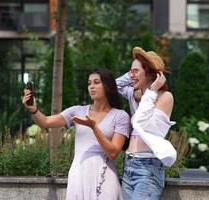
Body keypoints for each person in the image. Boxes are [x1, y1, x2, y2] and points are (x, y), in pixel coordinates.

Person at [22, 67, 130, 199]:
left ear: (108, 86)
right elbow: (45, 122)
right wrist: (34, 110)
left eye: (96, 82)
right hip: (79, 174)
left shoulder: (120, 116)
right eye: (89, 83)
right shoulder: (77, 111)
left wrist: (94, 127)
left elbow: (113, 153)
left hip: (104, 176)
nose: (92, 86)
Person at [116, 47, 177, 199]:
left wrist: (153, 88)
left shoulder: (165, 97)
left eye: (135, 71)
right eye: (130, 71)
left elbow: (141, 122)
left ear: (150, 73)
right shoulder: (133, 94)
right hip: (129, 164)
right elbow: (113, 85)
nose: (131, 75)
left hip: (148, 168)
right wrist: (133, 75)